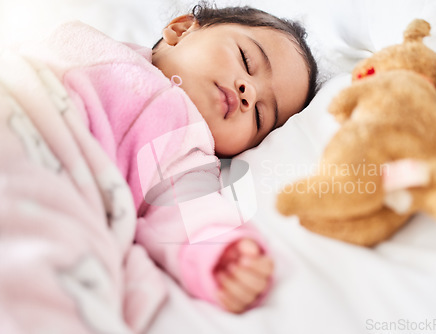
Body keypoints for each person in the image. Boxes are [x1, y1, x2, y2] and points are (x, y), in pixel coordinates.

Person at [11, 3, 319, 315]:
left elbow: (191, 212)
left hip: (52, 194)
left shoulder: (186, 151)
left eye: (259, 115)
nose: (248, 92)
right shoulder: (84, 42)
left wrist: (223, 254)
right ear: (181, 29)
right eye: (246, 59)